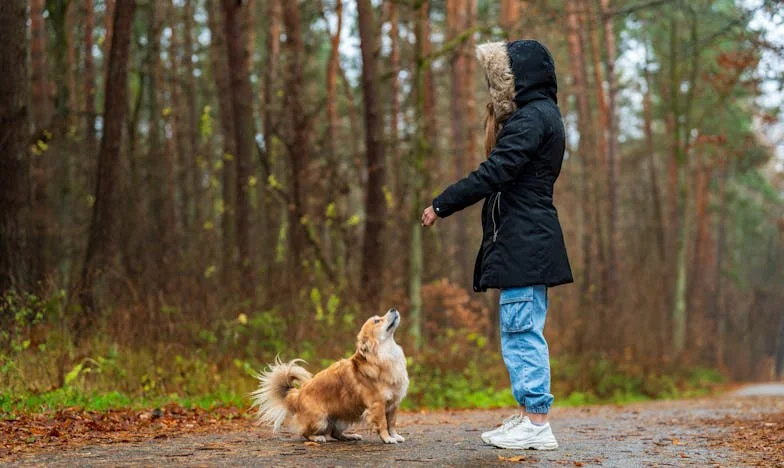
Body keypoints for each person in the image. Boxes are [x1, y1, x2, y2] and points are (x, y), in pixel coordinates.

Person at [420, 40, 572, 450]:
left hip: (525, 243)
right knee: (521, 328)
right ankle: (529, 414)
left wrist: (442, 203)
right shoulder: (546, 116)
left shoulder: (531, 120)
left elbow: (494, 172)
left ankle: (536, 421)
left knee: (522, 331)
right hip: (528, 241)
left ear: (517, 78)